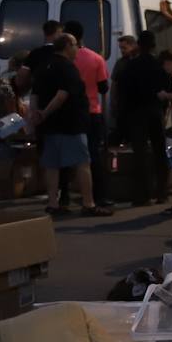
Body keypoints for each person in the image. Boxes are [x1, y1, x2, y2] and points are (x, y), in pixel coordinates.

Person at [32, 34, 111, 216]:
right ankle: (88, 203)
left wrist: (36, 115)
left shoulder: (44, 65)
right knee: (83, 163)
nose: (78, 48)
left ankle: (53, 203)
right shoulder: (68, 68)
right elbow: (62, 95)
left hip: (49, 127)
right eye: (75, 45)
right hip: (70, 124)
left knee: (52, 165)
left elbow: (35, 94)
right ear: (67, 46)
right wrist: (45, 112)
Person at [116, 31, 171, 205]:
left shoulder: (131, 66)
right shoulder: (158, 65)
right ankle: (162, 192)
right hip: (155, 111)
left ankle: (142, 195)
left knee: (140, 154)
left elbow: (122, 90)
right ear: (154, 45)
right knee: (159, 152)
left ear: (139, 45)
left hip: (136, 113)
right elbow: (167, 87)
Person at [64, 21, 111, 204]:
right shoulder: (96, 58)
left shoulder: (62, 60)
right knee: (94, 155)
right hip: (92, 111)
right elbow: (103, 88)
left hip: (68, 112)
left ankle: (64, 196)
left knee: (66, 156)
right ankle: (98, 195)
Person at [19, 19, 64, 95]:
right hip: (58, 96)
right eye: (61, 33)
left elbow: (22, 76)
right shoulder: (63, 53)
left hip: (38, 95)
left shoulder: (35, 53)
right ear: (57, 33)